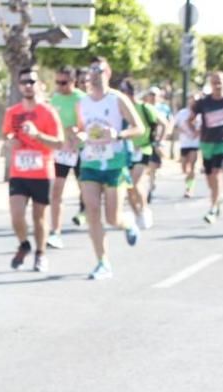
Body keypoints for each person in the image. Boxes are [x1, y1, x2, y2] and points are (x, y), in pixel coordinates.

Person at [75, 56, 143, 280]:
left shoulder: (117, 99)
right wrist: (80, 135)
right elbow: (81, 129)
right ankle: (102, 262)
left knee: (113, 217)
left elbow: (138, 128)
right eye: (91, 70)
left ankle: (129, 223)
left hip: (114, 162)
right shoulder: (82, 102)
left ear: (108, 73)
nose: (94, 74)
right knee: (92, 211)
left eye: (99, 70)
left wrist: (118, 134)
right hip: (90, 162)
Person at [2, 67, 63, 272]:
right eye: (24, 82)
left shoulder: (48, 112)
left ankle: (41, 254)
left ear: (38, 85)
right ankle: (24, 245)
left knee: (39, 217)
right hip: (19, 172)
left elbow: (59, 143)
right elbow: (8, 135)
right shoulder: (13, 112)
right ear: (19, 86)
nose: (28, 85)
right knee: (16, 215)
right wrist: (12, 141)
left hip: (42, 171)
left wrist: (37, 135)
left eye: (32, 82)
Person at [188, 71, 223, 224]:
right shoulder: (204, 103)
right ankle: (218, 197)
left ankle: (213, 208)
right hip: (206, 142)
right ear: (210, 83)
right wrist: (194, 131)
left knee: (218, 172)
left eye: (220, 81)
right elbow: (190, 119)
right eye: (214, 81)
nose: (217, 84)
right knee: (210, 176)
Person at [47, 65, 85, 248]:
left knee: (85, 188)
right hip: (61, 150)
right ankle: (55, 232)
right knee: (56, 191)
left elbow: (87, 125)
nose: (60, 86)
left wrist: (77, 132)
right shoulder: (54, 98)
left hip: (80, 150)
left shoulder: (81, 99)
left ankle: (85, 210)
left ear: (73, 81)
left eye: (63, 82)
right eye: (57, 82)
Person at [120, 77, 160, 230]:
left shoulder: (145, 108)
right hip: (127, 150)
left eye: (125, 92)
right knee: (128, 186)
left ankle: (144, 209)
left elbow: (162, 123)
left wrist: (157, 140)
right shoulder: (119, 108)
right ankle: (136, 213)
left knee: (135, 182)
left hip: (143, 148)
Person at [142, 86, 171, 204]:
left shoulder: (164, 108)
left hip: (158, 141)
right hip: (146, 141)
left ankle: (151, 183)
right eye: (151, 94)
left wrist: (163, 138)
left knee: (154, 165)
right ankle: (148, 186)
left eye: (155, 95)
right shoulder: (144, 107)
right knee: (146, 165)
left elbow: (169, 122)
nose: (153, 97)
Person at [174, 93, 201, 198]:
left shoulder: (200, 113)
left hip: (195, 143)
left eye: (195, 100)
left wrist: (197, 132)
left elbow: (203, 127)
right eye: (191, 99)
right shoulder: (182, 113)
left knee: (192, 167)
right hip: (184, 143)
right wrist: (183, 131)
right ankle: (188, 181)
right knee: (185, 168)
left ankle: (189, 189)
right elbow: (176, 125)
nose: (193, 101)